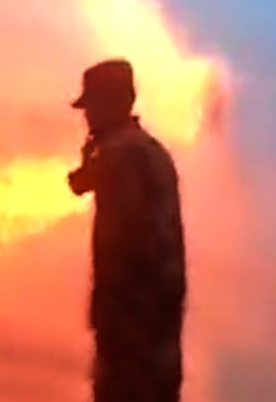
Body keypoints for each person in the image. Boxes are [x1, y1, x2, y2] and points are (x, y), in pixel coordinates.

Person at [67, 59, 187, 402]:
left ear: (111, 102)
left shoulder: (122, 156)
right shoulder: (148, 151)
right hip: (155, 338)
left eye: (91, 106)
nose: (87, 117)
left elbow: (122, 247)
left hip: (132, 339)